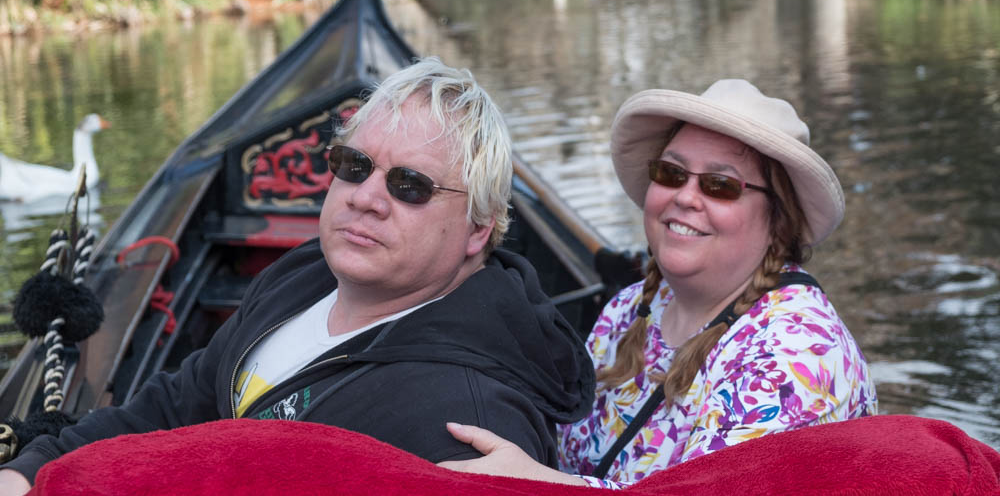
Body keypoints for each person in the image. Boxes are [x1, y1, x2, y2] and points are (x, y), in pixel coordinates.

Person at [0, 58, 595, 494]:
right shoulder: (307, 275)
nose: (366, 198)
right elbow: (177, 405)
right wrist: (32, 468)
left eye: (409, 186)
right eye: (352, 165)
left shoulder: (469, 421)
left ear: (478, 231)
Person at [442, 79, 878, 487]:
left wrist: (546, 486)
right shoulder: (628, 309)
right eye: (672, 173)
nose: (685, 197)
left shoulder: (802, 352)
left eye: (720, 185)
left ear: (778, 221)